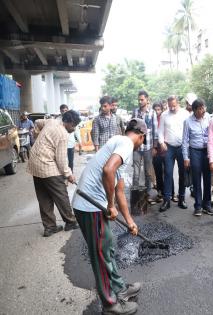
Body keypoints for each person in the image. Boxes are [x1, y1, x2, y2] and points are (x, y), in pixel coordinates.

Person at [72, 118, 147, 315]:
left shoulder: (119, 144)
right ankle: (110, 304)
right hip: (90, 206)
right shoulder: (126, 144)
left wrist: (130, 222)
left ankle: (119, 288)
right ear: (141, 136)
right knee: (101, 255)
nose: (142, 144)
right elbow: (108, 170)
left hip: (94, 205)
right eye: (143, 140)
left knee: (108, 247)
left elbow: (120, 190)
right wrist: (110, 204)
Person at [27, 110, 80, 237]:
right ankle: (70, 222)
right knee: (61, 194)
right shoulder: (62, 134)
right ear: (69, 122)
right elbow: (61, 160)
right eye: (74, 126)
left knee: (43, 197)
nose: (74, 129)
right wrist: (69, 174)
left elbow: (38, 122)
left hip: (34, 164)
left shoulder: (51, 121)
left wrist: (37, 132)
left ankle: (49, 227)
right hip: (47, 165)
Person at [158, 95, 190, 212]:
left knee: (183, 173)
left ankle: (181, 198)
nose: (171, 108)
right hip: (169, 147)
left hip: (182, 147)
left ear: (178, 103)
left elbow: (189, 130)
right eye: (170, 106)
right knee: (167, 172)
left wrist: (188, 145)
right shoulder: (164, 115)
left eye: (174, 106)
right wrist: (161, 142)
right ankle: (166, 199)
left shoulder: (185, 114)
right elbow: (160, 131)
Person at [182, 98, 213, 216]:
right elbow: (185, 141)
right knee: (196, 179)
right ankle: (198, 206)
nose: (203, 110)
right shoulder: (188, 121)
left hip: (207, 151)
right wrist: (186, 157)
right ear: (194, 110)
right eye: (200, 109)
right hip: (194, 151)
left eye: (204, 107)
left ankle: (207, 205)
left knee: (208, 178)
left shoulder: (209, 118)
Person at [131, 90, 158, 200]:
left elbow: (155, 131)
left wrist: (155, 147)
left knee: (148, 172)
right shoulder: (135, 112)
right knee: (136, 172)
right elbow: (131, 129)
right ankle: (136, 194)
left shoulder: (152, 113)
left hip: (148, 147)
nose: (140, 101)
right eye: (139, 99)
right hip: (136, 146)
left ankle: (147, 194)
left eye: (142, 99)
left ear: (147, 100)